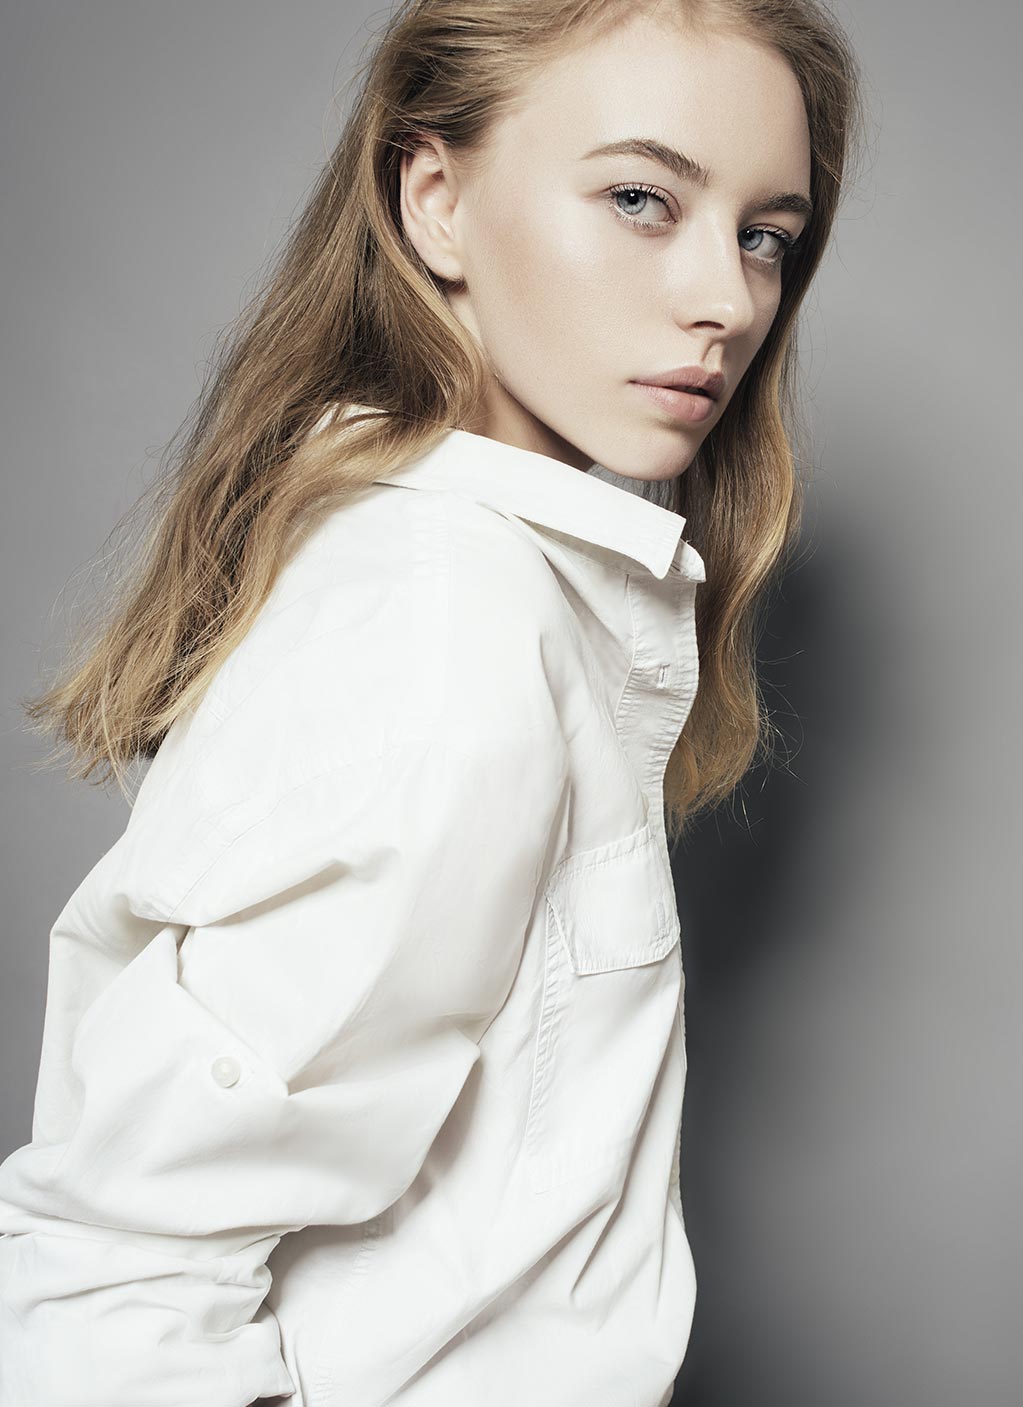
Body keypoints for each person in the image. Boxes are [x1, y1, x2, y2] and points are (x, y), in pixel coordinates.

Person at [0, 0, 864, 1403]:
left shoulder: (491, 584)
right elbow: (121, 1274)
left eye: (766, 234)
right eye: (640, 200)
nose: (727, 299)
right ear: (436, 202)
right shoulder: (442, 621)